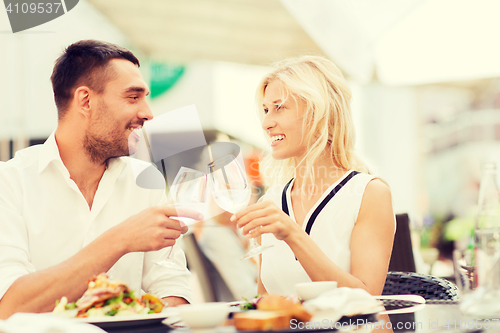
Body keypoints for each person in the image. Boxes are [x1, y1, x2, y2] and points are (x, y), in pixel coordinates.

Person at [0, 40, 201, 319]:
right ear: (85, 100)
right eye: (133, 97)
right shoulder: (9, 184)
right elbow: (8, 306)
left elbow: (172, 290)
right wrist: (120, 240)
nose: (148, 112)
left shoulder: (145, 181)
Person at [232, 56, 396, 296]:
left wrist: (293, 234)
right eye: (266, 110)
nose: (266, 122)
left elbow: (366, 299)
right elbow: (266, 303)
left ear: (317, 112)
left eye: (279, 107)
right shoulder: (271, 202)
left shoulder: (369, 194)